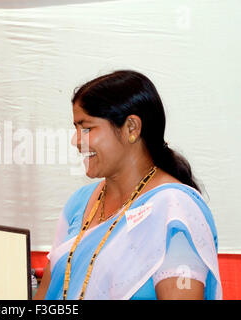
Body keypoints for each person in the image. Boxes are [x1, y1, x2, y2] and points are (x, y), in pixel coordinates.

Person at [34, 70, 222, 300]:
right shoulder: (78, 204)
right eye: (76, 128)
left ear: (131, 128)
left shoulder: (174, 211)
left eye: (87, 128)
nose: (76, 141)